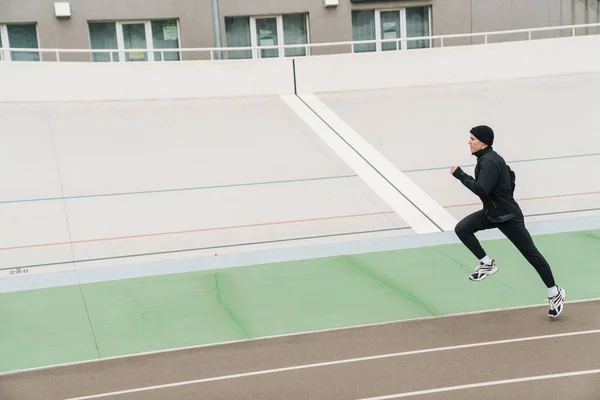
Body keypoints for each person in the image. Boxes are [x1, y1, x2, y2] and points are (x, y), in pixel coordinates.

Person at [450, 125, 565, 319]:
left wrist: (461, 175)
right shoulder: (488, 159)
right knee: (462, 228)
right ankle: (486, 263)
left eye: (473, 139)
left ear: (483, 142)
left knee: (531, 254)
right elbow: (511, 175)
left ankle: (555, 292)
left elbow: (482, 190)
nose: (469, 142)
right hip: (492, 213)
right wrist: (503, 195)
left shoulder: (489, 161)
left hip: (509, 217)